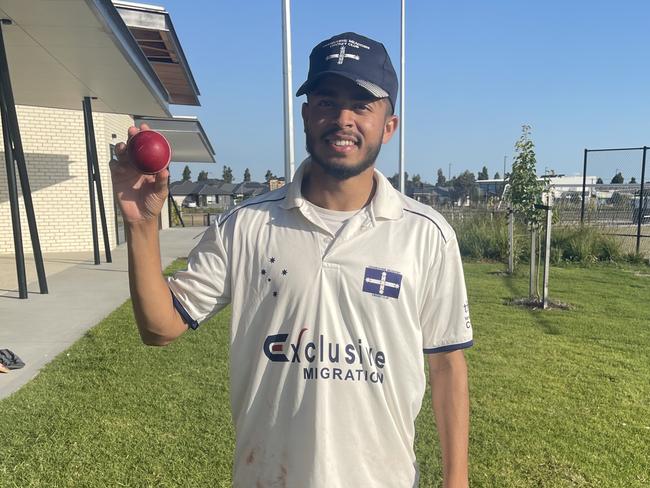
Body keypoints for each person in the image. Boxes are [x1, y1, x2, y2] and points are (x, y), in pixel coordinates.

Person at [110, 32, 472, 488]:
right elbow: (160, 328)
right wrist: (142, 225)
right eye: (325, 101)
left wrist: (456, 482)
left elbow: (446, 364)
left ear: (389, 125)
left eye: (362, 105)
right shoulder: (245, 226)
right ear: (306, 114)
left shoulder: (427, 234)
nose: (342, 118)